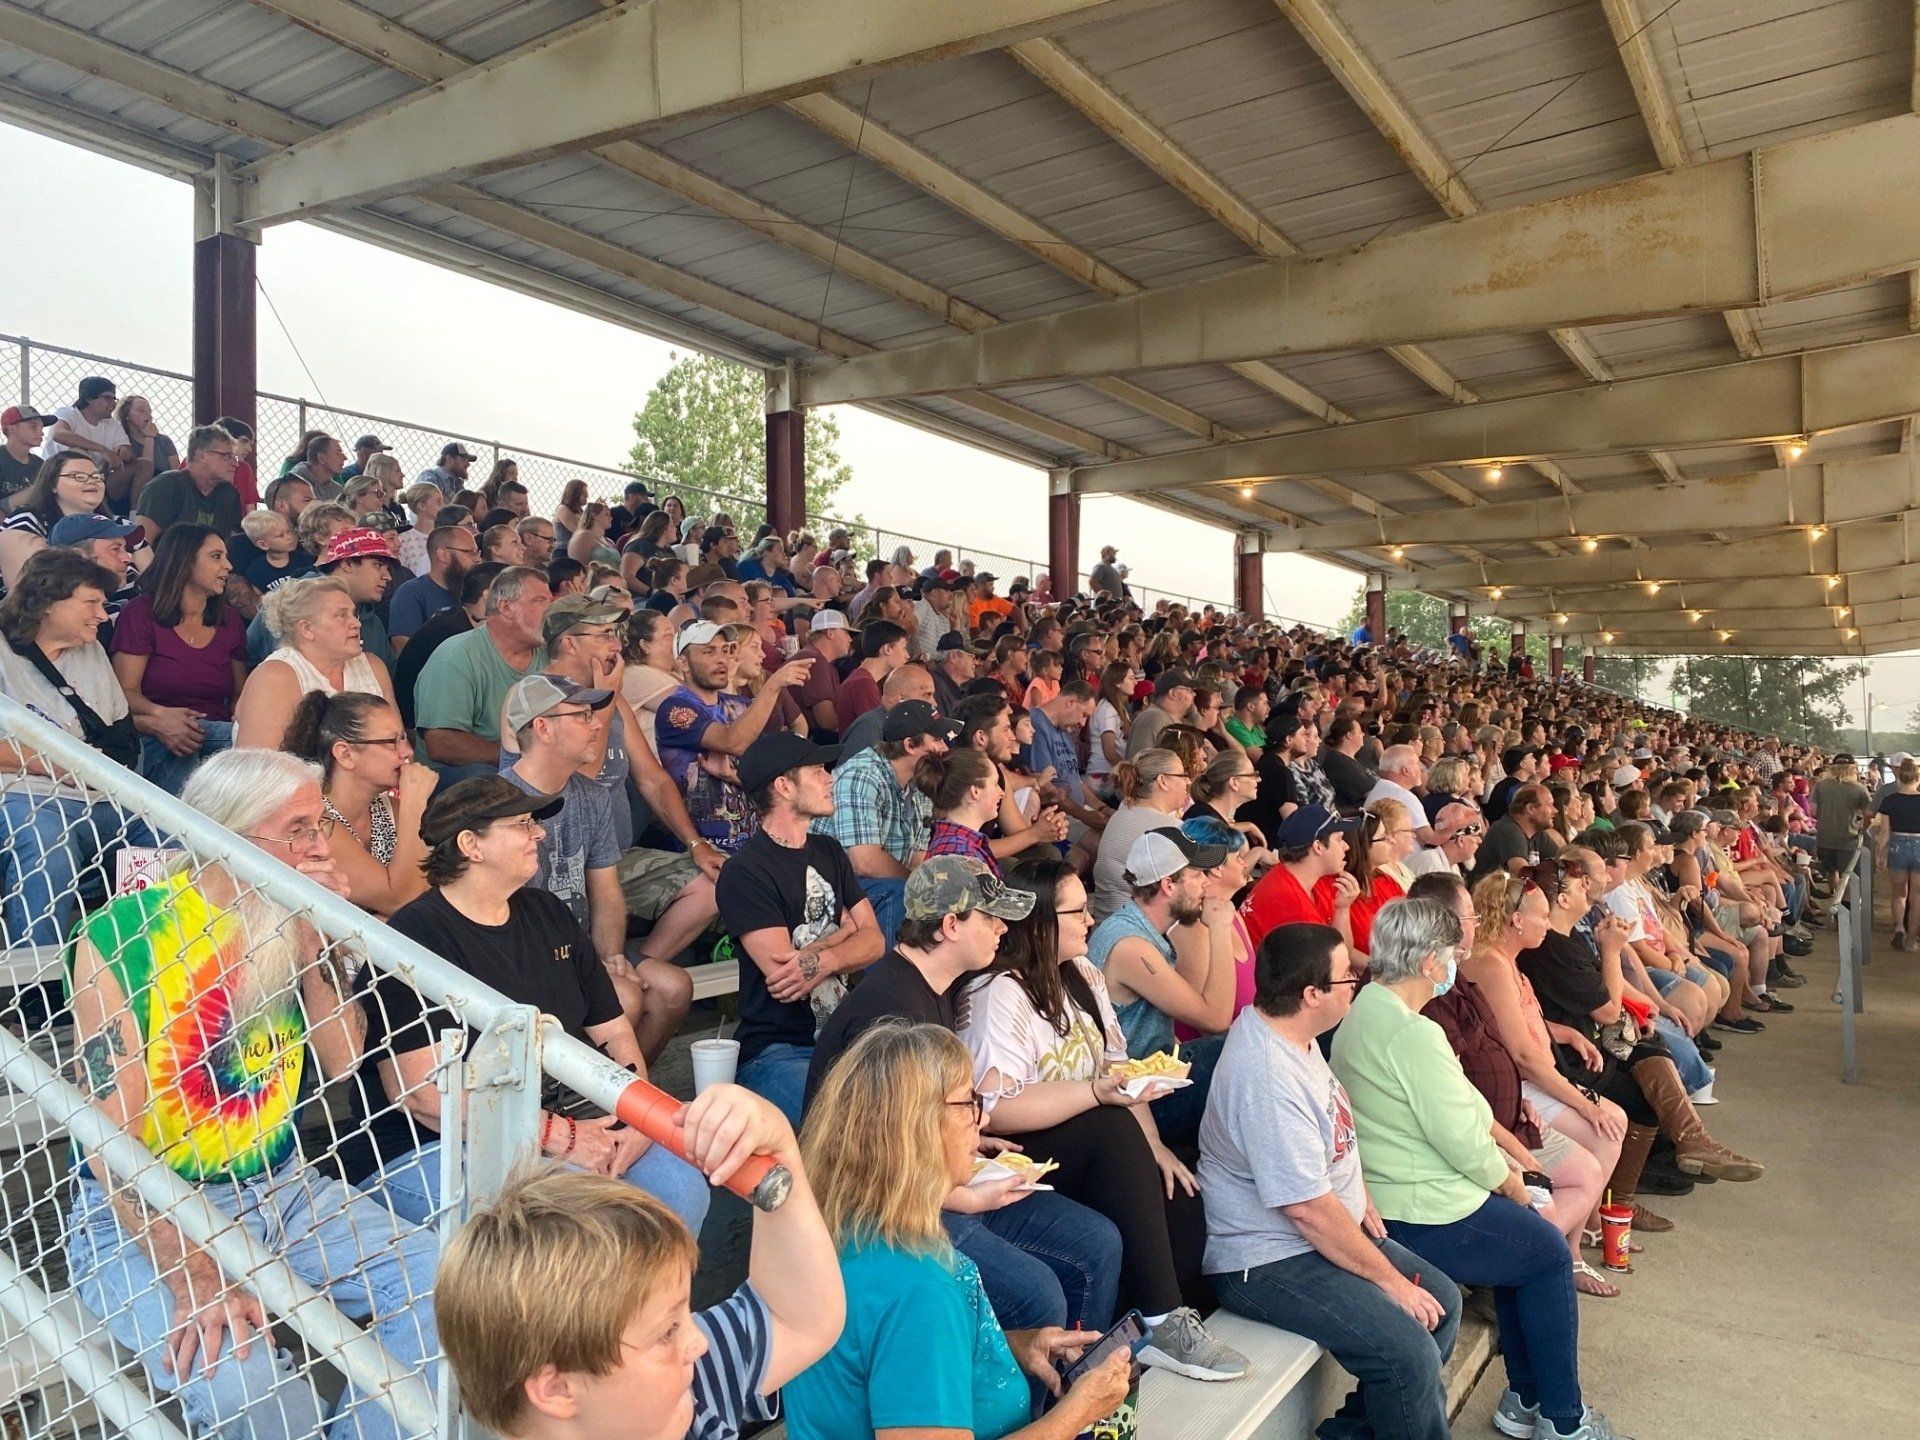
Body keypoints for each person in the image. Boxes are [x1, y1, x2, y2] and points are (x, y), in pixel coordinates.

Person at [64, 748, 438, 1440]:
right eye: (299, 829)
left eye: (319, 825)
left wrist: (321, 932)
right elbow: (109, 1147)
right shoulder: (124, 934)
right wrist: (197, 1276)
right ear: (231, 835)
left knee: (454, 1299)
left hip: (284, 1188)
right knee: (251, 1387)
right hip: (145, 1209)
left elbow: (342, 1059)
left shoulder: (282, 913)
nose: (322, 846)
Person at [351, 775, 710, 1237]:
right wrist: (564, 1139)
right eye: (522, 823)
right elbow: (426, 1100)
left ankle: (650, 1310)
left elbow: (616, 1032)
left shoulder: (546, 912)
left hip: (559, 1120)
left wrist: (636, 1119)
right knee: (579, 1216)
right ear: (470, 845)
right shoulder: (413, 939)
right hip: (432, 1148)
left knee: (680, 1186)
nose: (539, 833)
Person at [1331, 899, 1632, 1440]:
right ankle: (1563, 1421)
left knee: (1528, 1251)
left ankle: (1525, 1401)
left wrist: (1515, 1162)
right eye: (1450, 953)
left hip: (1403, 1192)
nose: (1456, 963)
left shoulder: (1369, 1008)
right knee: (1543, 1252)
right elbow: (1463, 1142)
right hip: (1419, 1207)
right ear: (1428, 963)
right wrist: (1519, 1186)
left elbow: (1460, 1108)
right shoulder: (1411, 1031)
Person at [957, 855, 1248, 1380]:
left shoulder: (1083, 973)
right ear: (1040, 923)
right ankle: (1160, 1322)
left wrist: (1153, 1148)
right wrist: (1095, 1094)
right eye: (1077, 912)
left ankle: (1167, 1323)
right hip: (1021, 1154)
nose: (1091, 920)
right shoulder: (998, 993)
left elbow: (1121, 1073)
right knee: (1112, 1127)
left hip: (1089, 1137)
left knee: (1177, 1188)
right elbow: (995, 1110)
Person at [785, 1023, 1135, 1440]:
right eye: (969, 1102)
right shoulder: (918, 1288)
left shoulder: (838, 1231)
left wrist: (1012, 1345)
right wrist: (1076, 1413)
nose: (983, 1117)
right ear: (916, 1128)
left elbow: (891, 1363)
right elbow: (912, 1329)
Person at [1200, 922, 1463, 1440]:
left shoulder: (1294, 1031)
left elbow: (1332, 1124)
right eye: (1347, 978)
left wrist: (1357, 1187)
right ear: (1311, 994)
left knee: (1443, 1303)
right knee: (1408, 1351)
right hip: (1268, 1259)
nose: (1358, 981)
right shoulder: (1266, 1080)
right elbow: (1306, 1211)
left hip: (1317, 1232)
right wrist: (1389, 1282)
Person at [435, 1109, 844, 1440]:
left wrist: (776, 1155)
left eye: (684, 1317)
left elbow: (797, 1318)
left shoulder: (686, 1399)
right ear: (557, 1389)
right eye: (668, 1330)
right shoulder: (670, 1400)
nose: (697, 1342)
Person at [501, 673, 701, 1061]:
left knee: (674, 987)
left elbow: (606, 890)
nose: (597, 725)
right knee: (623, 996)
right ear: (542, 728)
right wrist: (591, 970)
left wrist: (608, 956)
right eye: (581, 716)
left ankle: (615, 1104)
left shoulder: (592, 795)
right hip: (527, 960)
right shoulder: (500, 803)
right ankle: (589, 1101)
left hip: (582, 950)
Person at [714, 732, 886, 1125]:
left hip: (845, 1038)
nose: (830, 778)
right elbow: (787, 977)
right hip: (776, 1052)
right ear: (784, 785)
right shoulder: (745, 872)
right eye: (818, 770)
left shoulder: (828, 851)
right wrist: (845, 934)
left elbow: (875, 942)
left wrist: (825, 958)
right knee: (849, 1124)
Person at [0, 549, 158, 951]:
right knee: (47, 844)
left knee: (161, 836)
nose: (102, 615)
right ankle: (38, 987)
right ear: (47, 600)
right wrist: (54, 764)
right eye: (90, 603)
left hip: (100, 798)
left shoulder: (89, 650)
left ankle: (133, 955)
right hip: (25, 796)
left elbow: (121, 736)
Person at [108, 523, 247, 794]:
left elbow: (240, 692)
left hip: (217, 733)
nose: (228, 566)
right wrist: (162, 717)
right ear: (184, 561)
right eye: (216, 557)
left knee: (251, 742)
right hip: (155, 733)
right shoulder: (140, 614)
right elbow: (124, 693)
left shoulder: (229, 619)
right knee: (185, 748)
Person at [655, 620, 814, 855]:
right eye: (709, 651)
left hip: (758, 840)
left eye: (725, 650)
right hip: (704, 850)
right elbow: (733, 742)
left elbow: (768, 776)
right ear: (683, 663)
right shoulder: (674, 709)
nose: (721, 659)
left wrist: (733, 775)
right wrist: (772, 685)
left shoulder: (740, 705)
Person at [283, 690, 435, 918]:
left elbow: (434, 891)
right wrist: (415, 802)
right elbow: (402, 900)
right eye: (392, 741)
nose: (407, 752)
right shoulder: (315, 823)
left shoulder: (393, 810)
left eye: (404, 738)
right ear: (345, 754)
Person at [413, 565, 553, 782]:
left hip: (529, 765)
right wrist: (522, 755)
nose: (550, 609)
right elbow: (441, 743)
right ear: (506, 607)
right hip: (453, 780)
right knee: (482, 777)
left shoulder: (549, 654)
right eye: (539, 600)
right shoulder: (456, 657)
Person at [233, 576, 395, 749]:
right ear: (307, 629)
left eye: (353, 614)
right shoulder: (274, 677)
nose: (356, 623)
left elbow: (397, 742)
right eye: (341, 615)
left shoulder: (374, 667)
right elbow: (258, 769)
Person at [1240, 804, 1362, 951]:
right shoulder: (1292, 905)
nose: (1346, 846)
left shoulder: (1298, 877)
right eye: (1339, 839)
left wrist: (1342, 909)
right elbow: (1331, 966)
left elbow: (1341, 955)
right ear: (1318, 847)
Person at [1090, 748, 1192, 921]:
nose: (1188, 781)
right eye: (1182, 775)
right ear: (1163, 781)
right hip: (1132, 933)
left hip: (1106, 928)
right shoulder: (1170, 830)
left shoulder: (1122, 812)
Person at [1, 449, 119, 591]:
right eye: (79, 476)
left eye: (97, 476)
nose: (92, 481)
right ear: (52, 484)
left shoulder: (120, 525)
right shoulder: (26, 520)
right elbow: (29, 591)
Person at [39, 376, 140, 506]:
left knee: (144, 465)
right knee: (79, 452)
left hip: (97, 479)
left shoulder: (113, 424)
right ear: (89, 398)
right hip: (59, 478)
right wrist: (102, 450)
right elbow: (58, 434)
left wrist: (124, 452)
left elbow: (128, 450)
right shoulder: (69, 413)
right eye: (107, 398)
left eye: (114, 399)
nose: (113, 403)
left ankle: (135, 517)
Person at [389, 524, 479, 651]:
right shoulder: (410, 594)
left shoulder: (475, 593)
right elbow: (403, 649)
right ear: (444, 555)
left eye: (477, 553)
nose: (477, 559)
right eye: (470, 553)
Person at [1875, 755, 1920, 946]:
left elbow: (1884, 833)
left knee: (1899, 893)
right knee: (1917, 895)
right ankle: (1911, 938)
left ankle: (1899, 927)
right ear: (1918, 778)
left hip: (1898, 844)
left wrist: (1880, 854)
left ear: (1899, 777)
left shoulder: (1890, 800)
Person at [792, 607, 851, 739]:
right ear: (830, 633)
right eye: (846, 633)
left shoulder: (816, 658)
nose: (850, 639)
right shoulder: (815, 661)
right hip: (807, 741)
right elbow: (826, 721)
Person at [1126, 669, 1194, 758]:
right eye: (1189, 690)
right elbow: (1141, 763)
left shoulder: (1175, 719)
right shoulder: (1153, 718)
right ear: (1173, 693)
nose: (1194, 694)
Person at [0, 403, 57, 508]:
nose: (41, 432)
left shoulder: (39, 464)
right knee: (39, 487)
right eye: (33, 426)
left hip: (27, 519)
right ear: (12, 428)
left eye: (41, 427)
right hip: (7, 520)